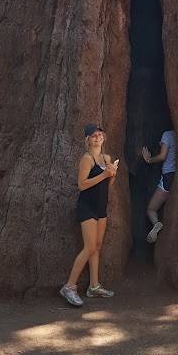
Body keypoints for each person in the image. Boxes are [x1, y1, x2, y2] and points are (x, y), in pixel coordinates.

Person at [60, 124, 118, 307]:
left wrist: (112, 174)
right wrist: (104, 175)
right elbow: (82, 185)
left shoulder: (106, 158)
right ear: (88, 140)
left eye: (100, 135)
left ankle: (94, 286)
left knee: (97, 246)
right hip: (87, 207)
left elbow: (107, 184)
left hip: (101, 207)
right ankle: (69, 286)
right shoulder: (87, 159)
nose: (97, 138)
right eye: (93, 136)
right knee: (89, 247)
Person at [142, 127, 177, 243]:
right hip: (177, 176)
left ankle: (157, 223)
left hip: (168, 177)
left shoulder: (168, 135)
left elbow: (162, 156)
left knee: (151, 209)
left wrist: (148, 159)